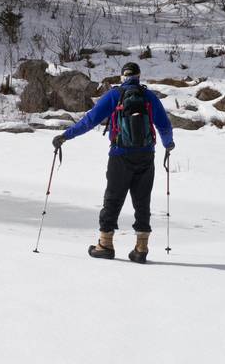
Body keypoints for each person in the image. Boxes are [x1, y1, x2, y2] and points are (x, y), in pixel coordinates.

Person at [51, 62, 175, 263]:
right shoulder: (149, 97)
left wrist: (66, 136)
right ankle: (141, 248)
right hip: (146, 155)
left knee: (113, 198)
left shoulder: (113, 95)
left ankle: (105, 245)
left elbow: (89, 121)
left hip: (120, 154)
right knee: (142, 201)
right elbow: (164, 126)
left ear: (122, 76)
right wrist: (168, 145)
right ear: (138, 76)